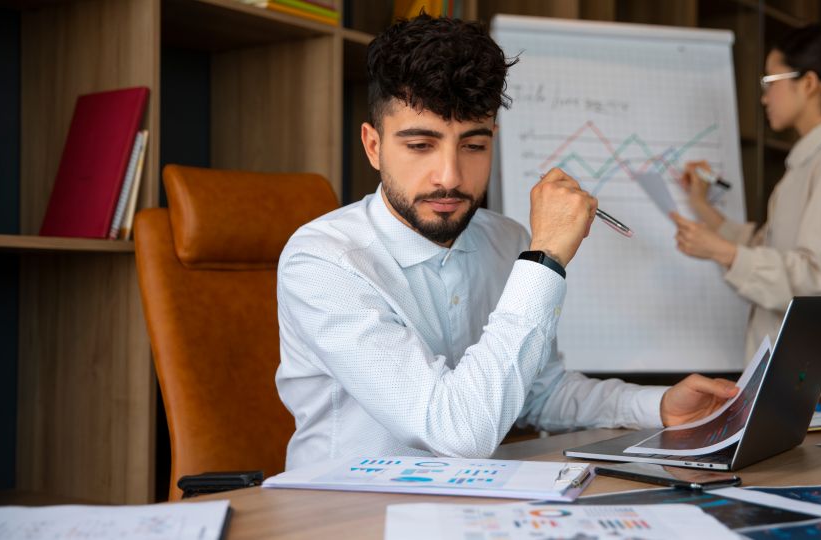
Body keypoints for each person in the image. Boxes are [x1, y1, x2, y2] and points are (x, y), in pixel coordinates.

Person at [275, 14, 738, 469]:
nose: (450, 177)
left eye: (473, 146)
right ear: (374, 146)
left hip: (471, 506)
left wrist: (657, 407)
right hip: (343, 511)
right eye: (420, 146)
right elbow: (459, 431)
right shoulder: (324, 261)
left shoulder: (505, 239)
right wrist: (545, 259)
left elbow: (539, 392)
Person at [670, 24, 821, 402]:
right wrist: (701, 207)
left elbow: (814, 279)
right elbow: (770, 246)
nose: (764, 97)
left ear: (809, 83)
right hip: (802, 382)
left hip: (816, 388)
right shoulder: (811, 161)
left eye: (770, 81)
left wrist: (722, 251)